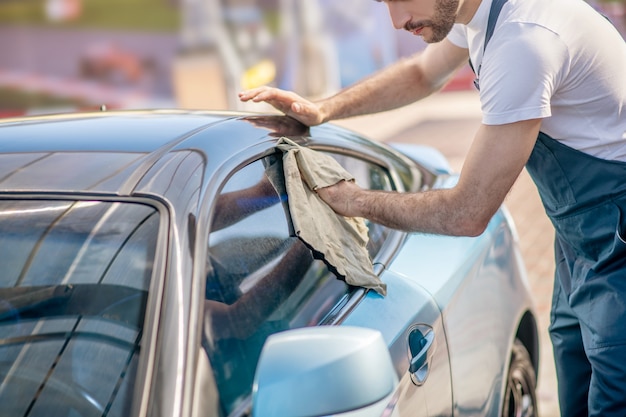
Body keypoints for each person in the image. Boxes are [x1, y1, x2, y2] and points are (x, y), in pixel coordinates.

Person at [239, 0, 626, 414]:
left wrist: (351, 201)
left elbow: (468, 211)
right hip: (581, 239)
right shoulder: (478, 13)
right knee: (577, 380)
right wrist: (323, 110)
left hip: (615, 241)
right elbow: (421, 73)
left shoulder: (524, 40)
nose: (396, 20)